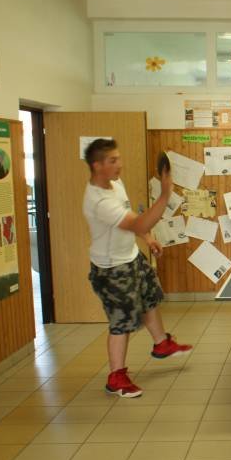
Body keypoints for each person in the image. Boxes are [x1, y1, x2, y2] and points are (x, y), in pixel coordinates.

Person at [82, 139, 192, 398]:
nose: (119, 164)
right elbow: (139, 222)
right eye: (113, 161)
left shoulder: (115, 184)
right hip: (112, 270)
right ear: (97, 166)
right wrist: (165, 195)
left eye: (118, 158)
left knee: (150, 297)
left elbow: (132, 217)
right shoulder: (99, 201)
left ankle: (161, 343)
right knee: (122, 323)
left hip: (131, 256)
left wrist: (148, 238)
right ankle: (116, 378)